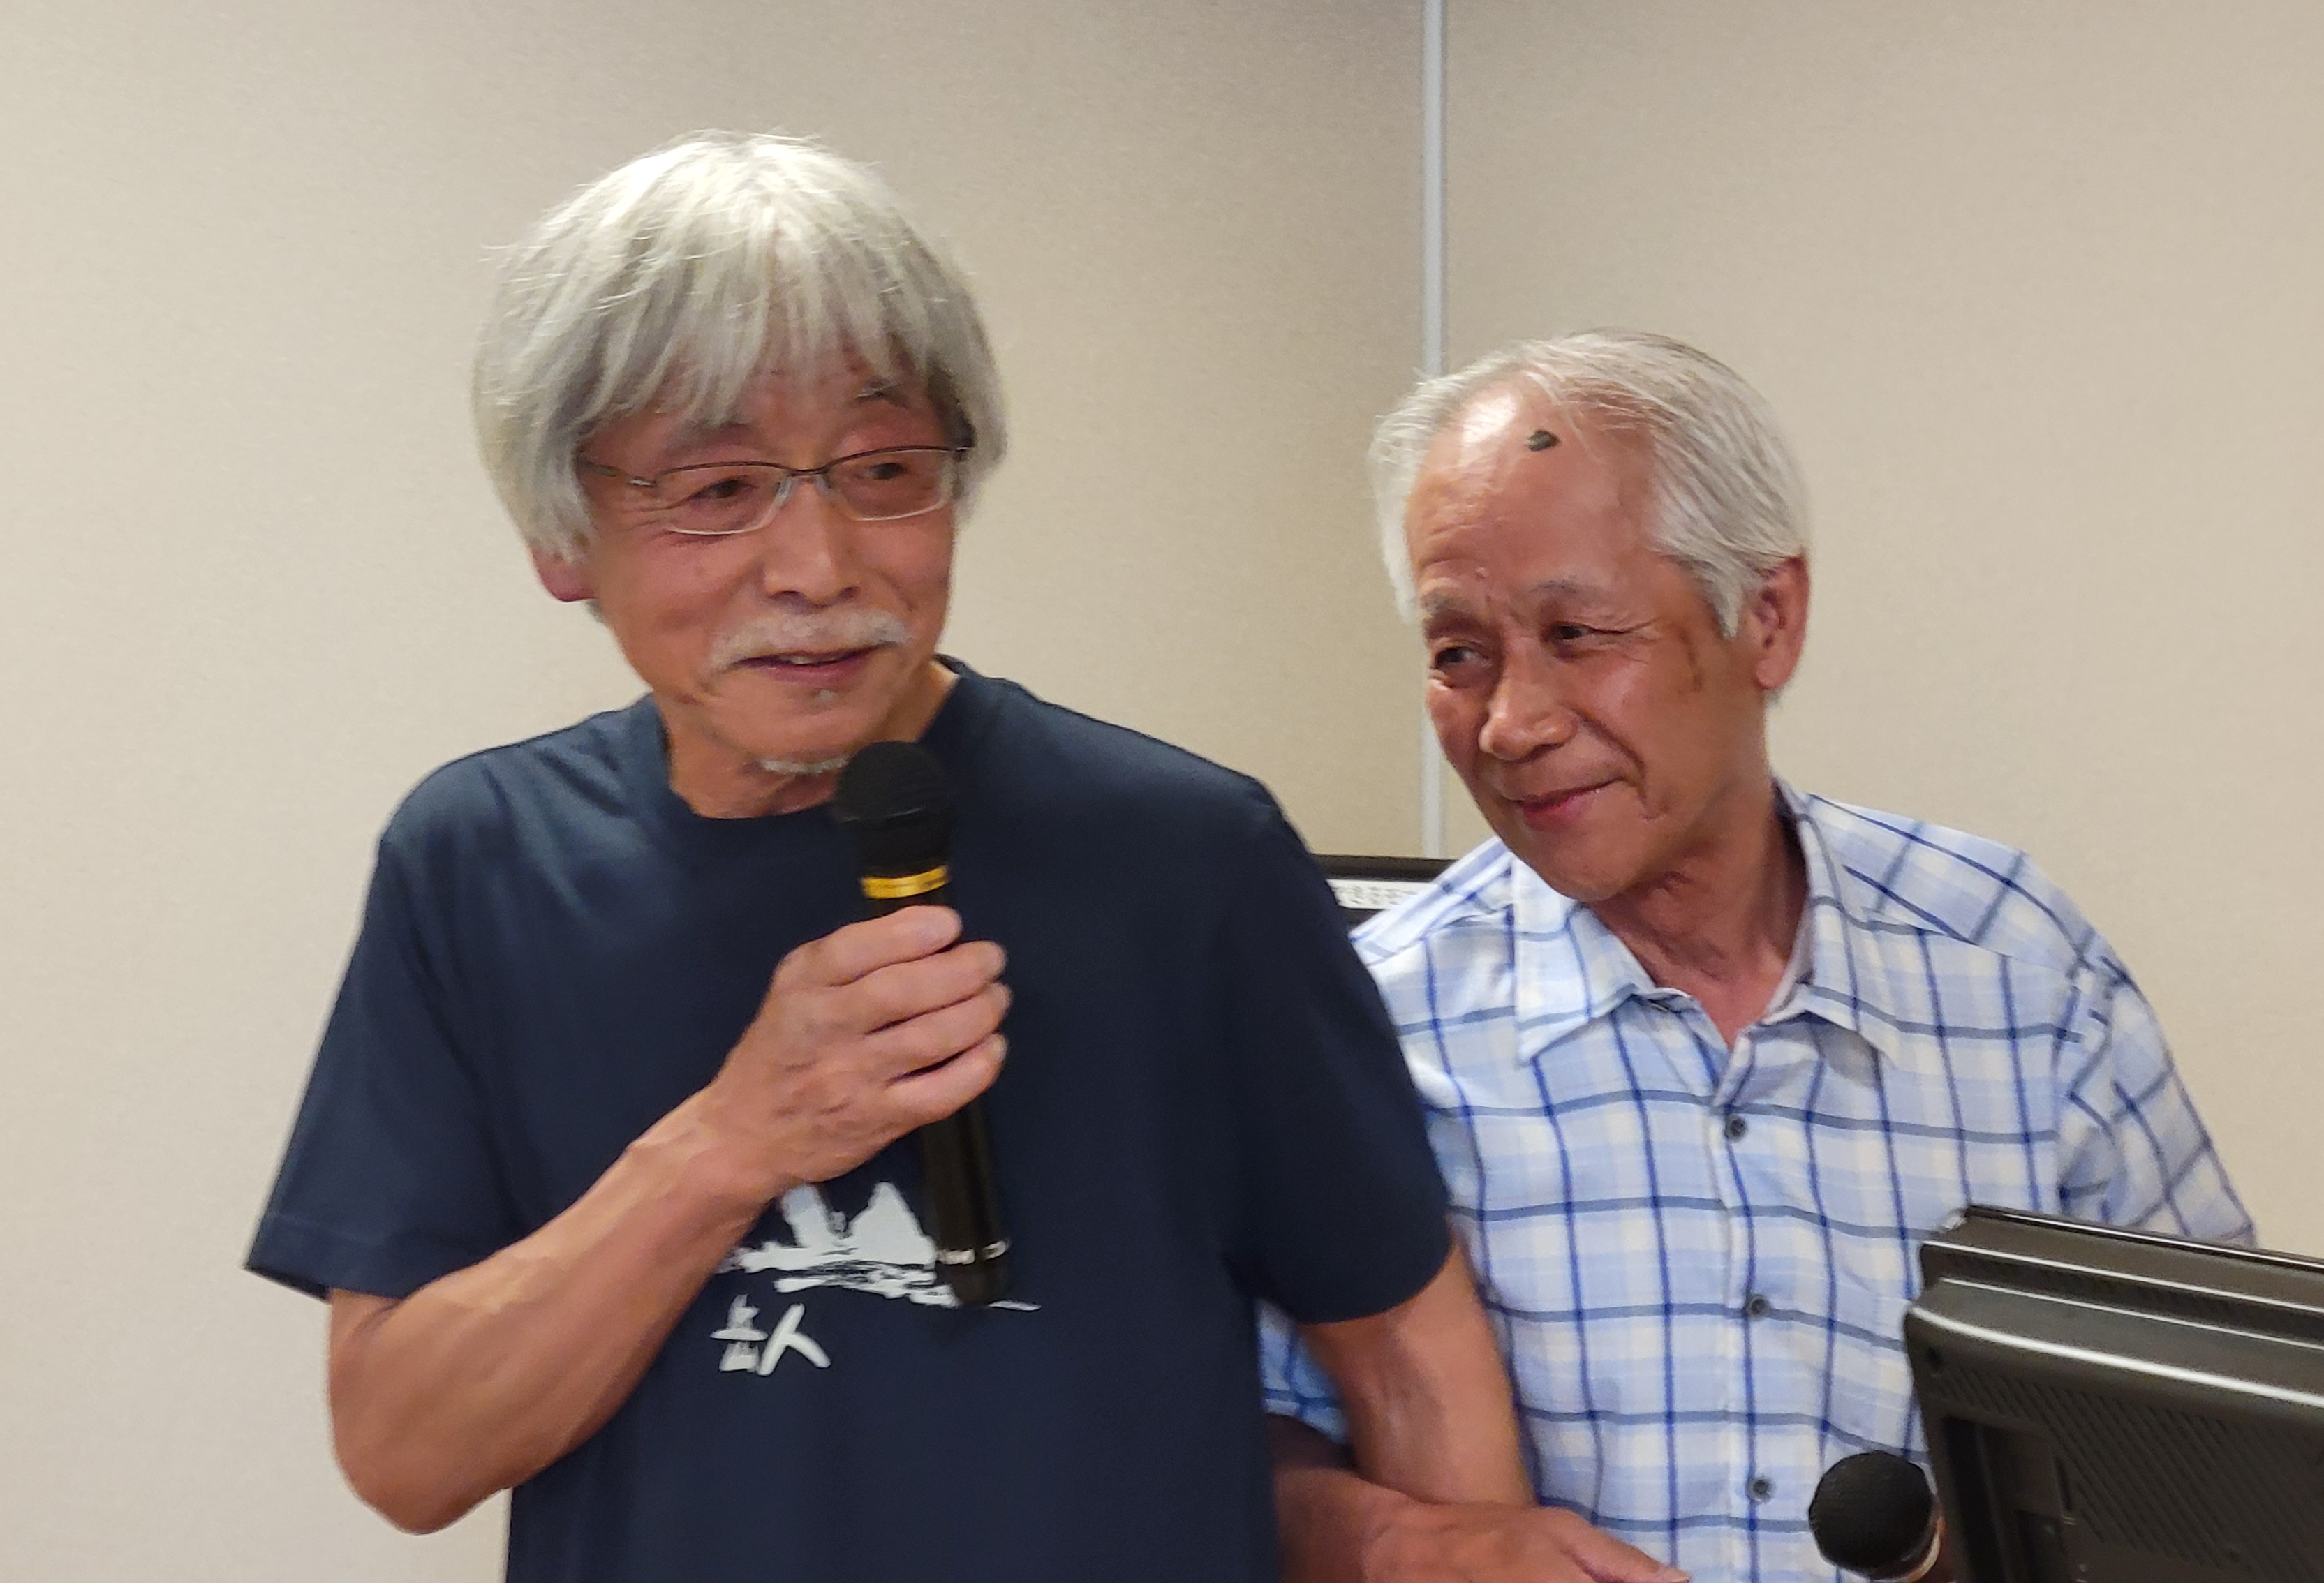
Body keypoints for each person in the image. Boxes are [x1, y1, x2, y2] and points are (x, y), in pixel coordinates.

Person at [246, 133, 1532, 1583]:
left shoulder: (1185, 858)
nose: (819, 566)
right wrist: (732, 1143)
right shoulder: (481, 863)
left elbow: (1404, 1344)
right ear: (563, 536)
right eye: (715, 488)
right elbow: (407, 1452)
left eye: (884, 471)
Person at [1260, 331, 2254, 1582]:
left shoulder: (2016, 968)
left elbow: (2225, 1420)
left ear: (1767, 620)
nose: (1511, 724)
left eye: (1578, 633)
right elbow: (1233, 1434)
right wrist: (1414, 1548)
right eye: (1460, 654)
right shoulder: (1376, 1024)